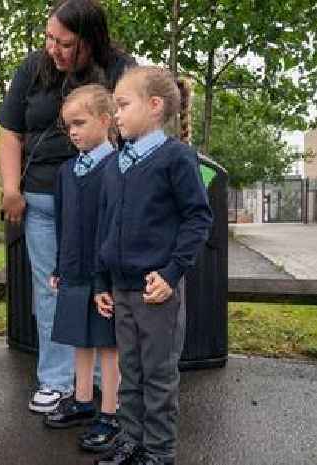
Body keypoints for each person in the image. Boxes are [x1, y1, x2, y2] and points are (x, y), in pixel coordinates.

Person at [0, 0, 134, 413]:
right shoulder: (32, 68)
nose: (53, 49)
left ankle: (95, 385)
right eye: (49, 38)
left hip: (100, 200)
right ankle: (56, 381)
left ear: (91, 42)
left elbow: (136, 125)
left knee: (100, 287)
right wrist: (10, 188)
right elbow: (9, 131)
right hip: (41, 197)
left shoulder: (120, 68)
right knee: (52, 289)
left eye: (65, 43)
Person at [93, 66, 213, 465]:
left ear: (155, 106)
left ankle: (159, 453)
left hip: (156, 288)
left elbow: (199, 218)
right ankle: (131, 440)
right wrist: (100, 282)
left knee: (158, 374)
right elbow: (104, 227)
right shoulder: (114, 166)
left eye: (123, 105)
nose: (116, 114)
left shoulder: (176, 158)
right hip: (121, 288)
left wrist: (172, 272)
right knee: (130, 370)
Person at [43, 84, 121, 454]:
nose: (72, 131)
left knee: (107, 342)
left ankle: (110, 412)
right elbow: (62, 222)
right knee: (80, 336)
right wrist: (60, 265)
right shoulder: (66, 170)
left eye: (79, 123)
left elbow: (118, 225)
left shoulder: (118, 167)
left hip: (104, 273)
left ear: (105, 121)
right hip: (74, 269)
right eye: (67, 125)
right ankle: (83, 399)